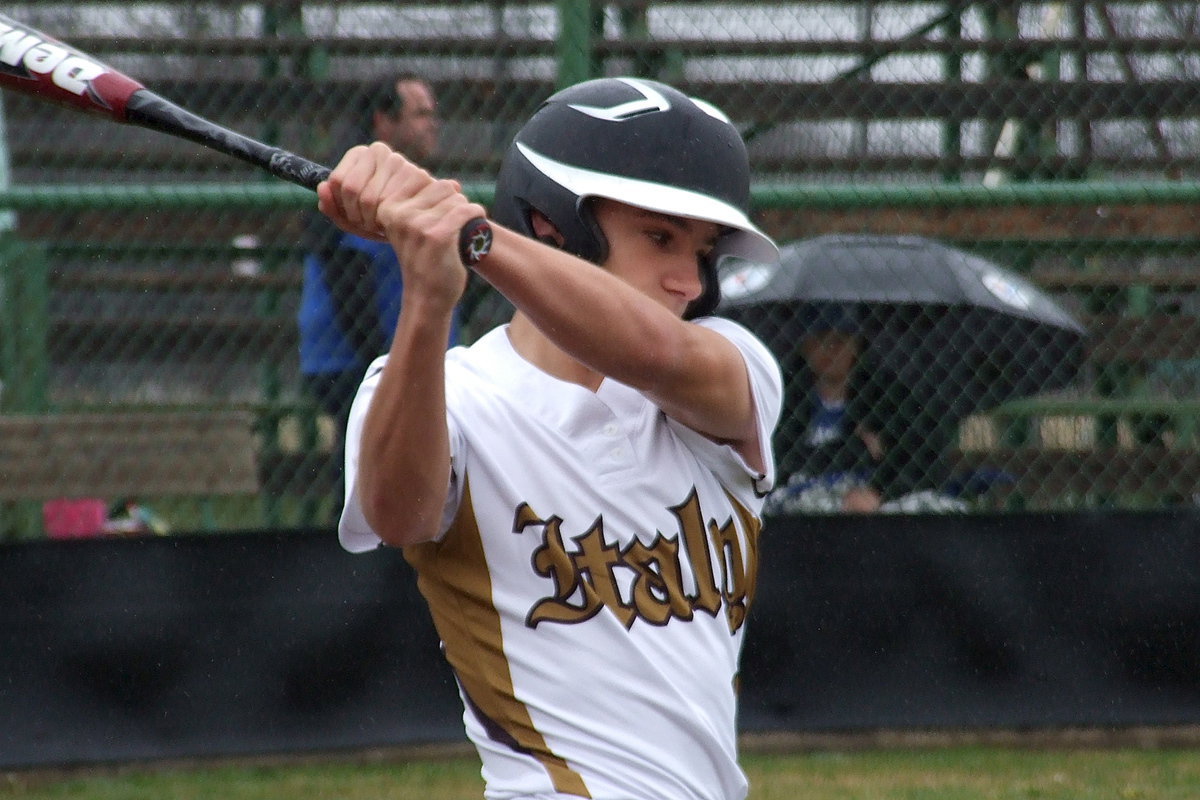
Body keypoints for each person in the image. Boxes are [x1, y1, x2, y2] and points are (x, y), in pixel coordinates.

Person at [321, 77, 783, 800]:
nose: (689, 281)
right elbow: (398, 514)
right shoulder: (449, 390)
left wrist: (470, 237)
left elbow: (653, 352)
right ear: (551, 225)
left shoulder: (737, 368)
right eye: (660, 238)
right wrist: (429, 300)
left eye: (702, 252)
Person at [297, 75, 454, 517]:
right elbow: (350, 285)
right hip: (352, 360)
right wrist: (391, 365)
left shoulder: (412, 185)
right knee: (369, 473)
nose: (433, 124)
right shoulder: (362, 184)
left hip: (396, 356)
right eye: (420, 114)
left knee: (384, 469)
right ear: (384, 121)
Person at [765, 302, 967, 514]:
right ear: (805, 347)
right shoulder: (784, 397)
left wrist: (879, 491)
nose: (830, 350)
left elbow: (919, 456)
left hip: (867, 498)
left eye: (839, 341)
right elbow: (778, 461)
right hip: (804, 496)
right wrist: (857, 447)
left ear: (856, 346)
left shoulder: (884, 396)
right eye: (820, 340)